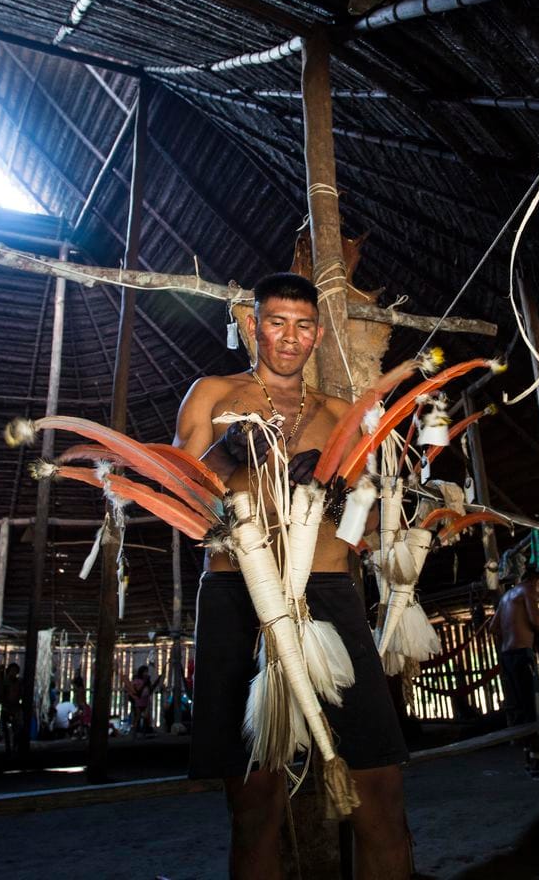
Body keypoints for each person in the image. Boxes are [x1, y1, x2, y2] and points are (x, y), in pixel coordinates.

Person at [175, 272, 411, 879]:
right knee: (254, 803)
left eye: (303, 325)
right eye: (276, 321)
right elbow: (183, 506)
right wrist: (229, 459)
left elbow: (371, 520)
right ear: (253, 324)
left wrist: (338, 496)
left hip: (328, 592)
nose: (289, 337)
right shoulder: (211, 396)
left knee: (377, 793)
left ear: (317, 335)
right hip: (238, 594)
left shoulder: (340, 414)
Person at [491, 561, 539, 773]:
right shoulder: (527, 589)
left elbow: (493, 627)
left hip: (507, 656)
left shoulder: (506, 597)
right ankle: (537, 761)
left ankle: (529, 757)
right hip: (522, 655)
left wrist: (513, 631)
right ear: (537, 580)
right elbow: (536, 620)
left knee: (520, 707)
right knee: (532, 706)